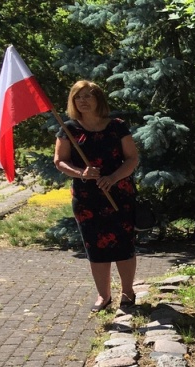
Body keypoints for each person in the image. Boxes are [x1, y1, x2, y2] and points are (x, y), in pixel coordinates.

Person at [53, 81, 140, 313]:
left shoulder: (117, 126)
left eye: (88, 96)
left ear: (98, 99)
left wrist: (113, 178)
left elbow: (132, 158)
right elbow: (59, 161)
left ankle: (128, 292)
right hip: (87, 199)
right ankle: (104, 295)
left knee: (124, 245)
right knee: (96, 248)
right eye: (77, 97)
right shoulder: (69, 129)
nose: (83, 101)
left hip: (118, 194)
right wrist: (81, 173)